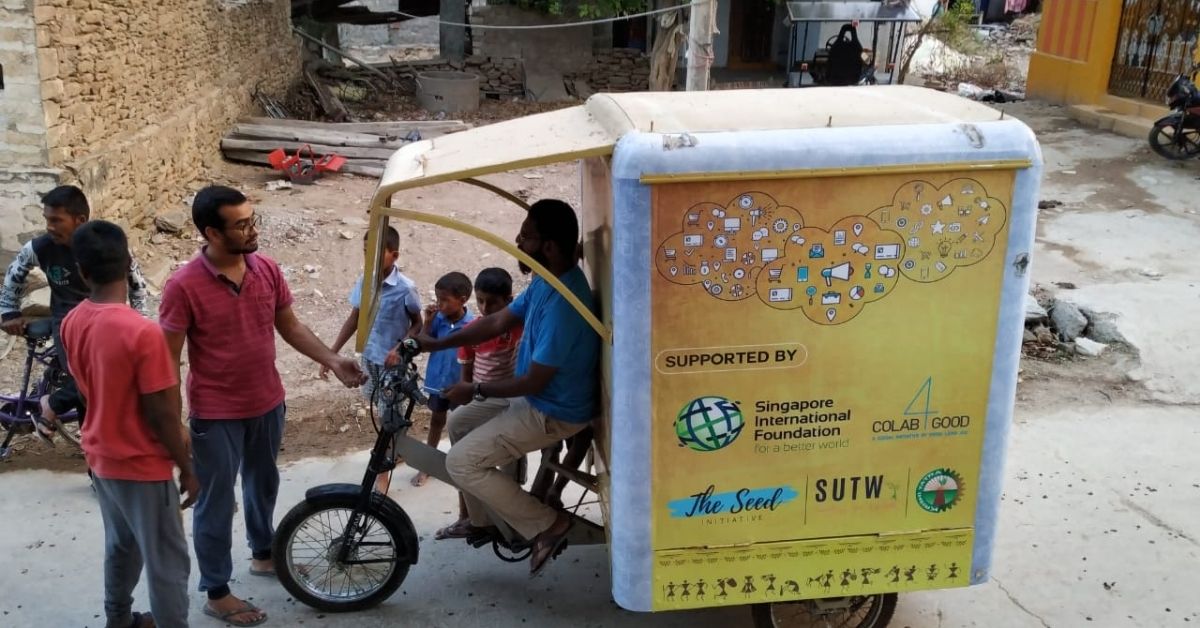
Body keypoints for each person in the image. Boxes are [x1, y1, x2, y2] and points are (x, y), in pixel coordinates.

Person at [158, 185, 365, 627]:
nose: (254, 230)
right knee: (215, 502)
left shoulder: (266, 268)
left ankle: (263, 554)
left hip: (267, 402)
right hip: (215, 414)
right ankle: (216, 591)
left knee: (263, 484)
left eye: (254, 220)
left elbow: (289, 325)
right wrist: (175, 427)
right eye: (242, 224)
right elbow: (168, 362)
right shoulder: (182, 286)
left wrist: (332, 359)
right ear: (212, 233)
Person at [408, 199, 600, 575]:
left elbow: (534, 381)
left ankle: (548, 523)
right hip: (535, 398)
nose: (518, 240)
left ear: (548, 246)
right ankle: (489, 522)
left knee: (459, 462)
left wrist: (476, 388)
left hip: (553, 412)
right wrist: (435, 343)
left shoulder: (565, 305)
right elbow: (496, 323)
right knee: (460, 423)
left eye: (526, 236)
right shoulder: (546, 279)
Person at [60, 220, 196, 628]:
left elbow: (85, 390)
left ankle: (118, 618)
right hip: (142, 466)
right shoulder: (143, 333)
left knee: (121, 546)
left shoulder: (72, 321)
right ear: (129, 263)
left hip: (101, 457)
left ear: (81, 272)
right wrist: (187, 467)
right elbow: (161, 413)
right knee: (168, 563)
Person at [0, 185, 149, 438]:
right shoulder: (41, 247)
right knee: (84, 379)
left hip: (109, 318)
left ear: (80, 220)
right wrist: (8, 311)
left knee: (114, 375)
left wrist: (141, 318)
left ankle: (55, 404)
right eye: (47, 219)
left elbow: (137, 283)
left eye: (56, 220)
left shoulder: (105, 245)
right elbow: (14, 274)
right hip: (67, 321)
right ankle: (93, 446)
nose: (49, 226)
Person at [434, 267, 523, 540]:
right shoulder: (473, 331)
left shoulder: (519, 326)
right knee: (461, 445)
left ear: (509, 300)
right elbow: (466, 378)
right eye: (480, 301)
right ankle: (472, 517)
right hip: (482, 398)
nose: (484, 308)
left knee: (510, 460)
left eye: (491, 302)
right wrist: (466, 395)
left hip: (512, 398)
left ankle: (513, 518)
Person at [386, 271, 473, 490]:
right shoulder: (437, 320)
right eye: (437, 298)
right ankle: (428, 466)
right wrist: (427, 322)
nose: (439, 304)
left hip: (460, 383)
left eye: (445, 300)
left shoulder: (472, 324)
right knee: (437, 421)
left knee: (459, 425)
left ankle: (460, 466)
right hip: (438, 382)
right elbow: (421, 344)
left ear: (463, 300)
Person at [321, 227, 422, 411]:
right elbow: (354, 319)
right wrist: (331, 354)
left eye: (376, 253)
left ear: (395, 255)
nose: (370, 258)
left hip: (392, 362)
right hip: (369, 357)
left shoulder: (406, 288)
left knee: (391, 412)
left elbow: (418, 323)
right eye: (366, 252)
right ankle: (387, 439)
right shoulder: (364, 281)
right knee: (375, 400)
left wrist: (398, 349)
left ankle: (394, 440)